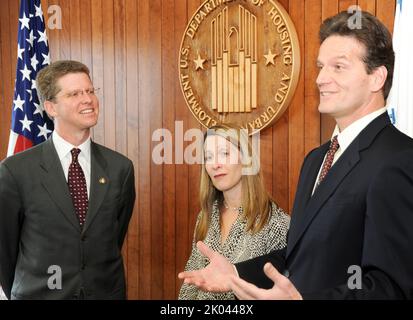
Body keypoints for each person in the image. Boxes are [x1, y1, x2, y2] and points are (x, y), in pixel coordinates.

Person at [178, 11, 413, 299]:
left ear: (377, 77)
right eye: (320, 67)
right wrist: (236, 273)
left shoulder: (399, 158)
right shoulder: (316, 159)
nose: (321, 79)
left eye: (338, 67)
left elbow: (392, 287)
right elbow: (297, 255)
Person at [0, 60, 136, 299]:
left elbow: (113, 238)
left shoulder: (120, 169)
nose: (87, 99)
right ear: (51, 107)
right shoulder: (15, 171)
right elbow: (5, 249)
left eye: (90, 91)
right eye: (74, 94)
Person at [178, 124, 290, 299]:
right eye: (208, 157)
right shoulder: (205, 216)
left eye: (224, 153)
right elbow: (191, 283)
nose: (215, 164)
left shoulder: (276, 223)